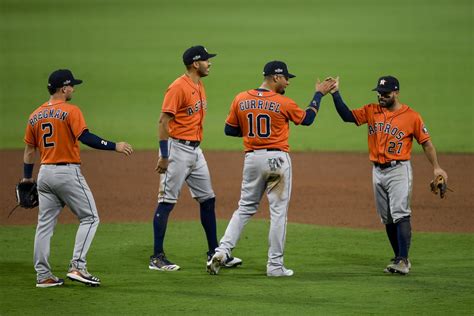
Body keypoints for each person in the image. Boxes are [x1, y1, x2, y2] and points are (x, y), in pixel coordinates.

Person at [208, 61, 336, 277]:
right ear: (276, 77)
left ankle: (222, 251)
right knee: (278, 213)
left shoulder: (241, 98)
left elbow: (229, 130)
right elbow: (307, 119)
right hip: (277, 160)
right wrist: (318, 95)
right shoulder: (282, 102)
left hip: (252, 160)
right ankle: (275, 266)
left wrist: (252, 132)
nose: (288, 82)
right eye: (286, 78)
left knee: (244, 208)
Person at [23, 69, 133, 288]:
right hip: (66, 173)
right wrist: (115, 146)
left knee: (44, 226)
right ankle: (77, 266)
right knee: (90, 218)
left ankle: (43, 276)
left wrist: (27, 179)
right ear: (63, 88)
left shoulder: (35, 115)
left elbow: (29, 150)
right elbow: (86, 138)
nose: (73, 89)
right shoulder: (70, 111)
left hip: (44, 174)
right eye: (71, 85)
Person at [329, 75, 448, 275]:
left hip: (398, 170)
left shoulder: (412, 116)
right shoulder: (371, 110)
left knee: (400, 212)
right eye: (379, 93)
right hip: (377, 170)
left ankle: (403, 260)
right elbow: (347, 116)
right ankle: (399, 257)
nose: (381, 97)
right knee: (387, 217)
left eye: (385, 94)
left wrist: (436, 167)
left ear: (396, 93)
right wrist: (335, 94)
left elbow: (426, 143)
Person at [150, 45, 242, 272]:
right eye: (206, 60)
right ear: (195, 63)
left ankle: (214, 253)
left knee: (208, 199)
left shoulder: (198, 85)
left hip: (195, 151)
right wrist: (164, 155)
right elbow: (163, 122)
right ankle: (157, 257)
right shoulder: (178, 87)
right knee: (166, 202)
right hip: (176, 151)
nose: (210, 63)